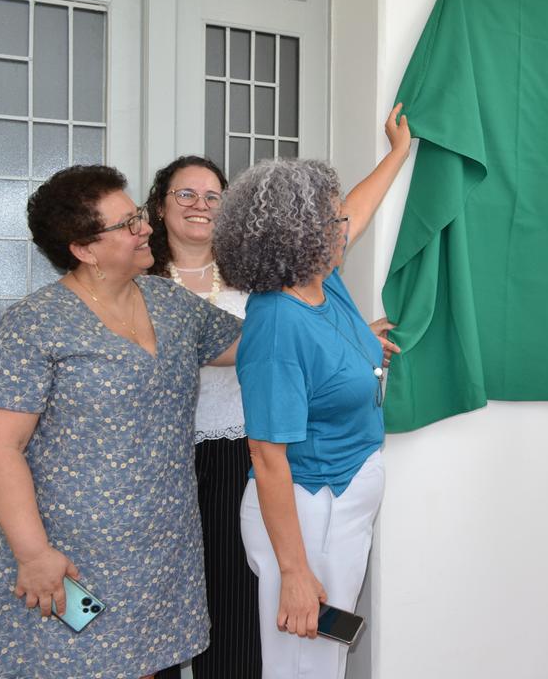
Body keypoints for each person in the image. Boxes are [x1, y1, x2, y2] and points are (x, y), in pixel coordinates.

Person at [0, 165, 241, 679]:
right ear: (84, 248)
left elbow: (256, 346)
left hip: (163, 552)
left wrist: (341, 328)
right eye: (127, 224)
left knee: (154, 667)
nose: (145, 227)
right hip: (71, 561)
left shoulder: (171, 304)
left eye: (139, 215)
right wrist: (33, 555)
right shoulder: (33, 325)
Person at [214, 104, 411, 679]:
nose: (343, 227)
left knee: (323, 660)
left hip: (344, 496)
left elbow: (357, 207)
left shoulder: (322, 283)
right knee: (304, 665)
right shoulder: (277, 324)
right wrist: (295, 572)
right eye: (331, 223)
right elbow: (267, 458)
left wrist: (399, 151)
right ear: (298, 237)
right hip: (306, 512)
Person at [145, 156, 262, 679]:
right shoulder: (135, 274)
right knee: (155, 593)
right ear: (160, 204)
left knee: (234, 588)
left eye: (213, 195)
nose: (200, 205)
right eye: (185, 194)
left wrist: (345, 339)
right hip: (151, 458)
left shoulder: (256, 274)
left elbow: (292, 338)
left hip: (238, 447)